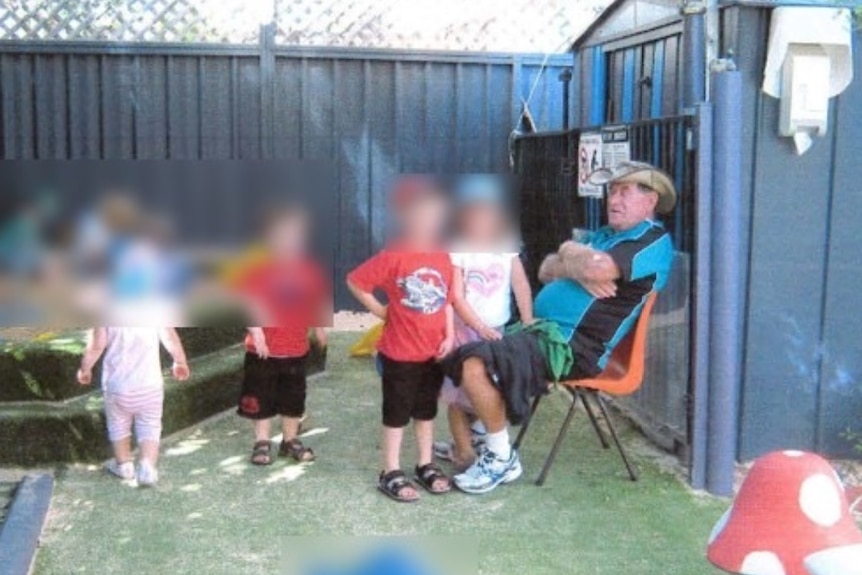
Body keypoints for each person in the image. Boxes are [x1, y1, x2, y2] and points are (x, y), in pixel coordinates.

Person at [445, 161, 677, 494]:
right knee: (461, 353)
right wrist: (574, 260)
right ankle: (482, 432)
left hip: (573, 347)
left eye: (625, 191)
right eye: (612, 190)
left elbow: (596, 268)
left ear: (651, 200)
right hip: (543, 331)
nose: (614, 199)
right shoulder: (605, 236)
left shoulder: (650, 241)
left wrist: (570, 254)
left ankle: (500, 458)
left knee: (475, 363)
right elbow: (545, 269)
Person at [347, 176, 455, 503]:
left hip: (432, 354)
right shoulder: (394, 255)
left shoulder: (443, 256)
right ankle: (390, 470)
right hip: (400, 353)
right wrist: (381, 311)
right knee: (396, 413)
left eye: (435, 216)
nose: (428, 222)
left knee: (425, 411)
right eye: (421, 215)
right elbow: (356, 281)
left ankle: (425, 463)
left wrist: (449, 334)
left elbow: (446, 300)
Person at [434, 175, 534, 470]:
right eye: (472, 212)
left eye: (486, 212)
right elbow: (457, 297)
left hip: (496, 332)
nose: (480, 219)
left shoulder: (506, 246)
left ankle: (465, 442)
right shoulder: (459, 250)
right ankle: (464, 453)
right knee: (459, 397)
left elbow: (521, 285)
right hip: (466, 332)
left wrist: (527, 321)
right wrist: (478, 327)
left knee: (485, 392)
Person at [233, 206, 331, 466]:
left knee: (293, 398)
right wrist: (257, 332)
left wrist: (319, 328)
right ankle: (262, 442)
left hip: (295, 349)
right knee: (261, 396)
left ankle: (290, 440)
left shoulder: (308, 269)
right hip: (263, 350)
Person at [77, 327, 190, 487]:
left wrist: (85, 369)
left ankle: (124, 466)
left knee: (118, 425)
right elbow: (170, 337)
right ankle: (147, 466)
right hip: (150, 386)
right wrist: (179, 361)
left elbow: (97, 345)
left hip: (117, 387)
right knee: (150, 425)